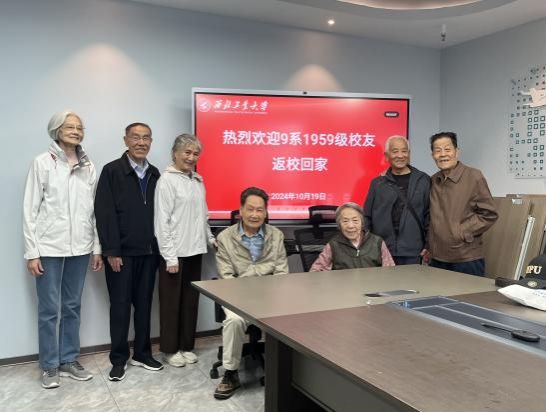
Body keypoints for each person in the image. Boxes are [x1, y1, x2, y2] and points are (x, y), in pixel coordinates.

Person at [23, 111, 103, 389]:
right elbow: (30, 210)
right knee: (49, 309)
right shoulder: (42, 162)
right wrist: (32, 252)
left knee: (72, 306)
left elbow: (94, 210)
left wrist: (96, 247)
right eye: (70, 127)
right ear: (56, 130)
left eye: (80, 127)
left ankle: (68, 359)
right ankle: (49, 365)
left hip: (80, 247)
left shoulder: (88, 166)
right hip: (49, 247)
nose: (76, 131)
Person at [94, 122, 163, 382]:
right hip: (120, 254)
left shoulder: (155, 174)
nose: (141, 142)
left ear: (151, 142)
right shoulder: (112, 170)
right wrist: (111, 251)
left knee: (144, 305)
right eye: (135, 137)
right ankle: (118, 359)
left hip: (149, 252)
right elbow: (104, 213)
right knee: (120, 307)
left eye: (146, 138)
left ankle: (142, 353)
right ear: (125, 140)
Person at [213, 187, 289, 400]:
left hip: (271, 295)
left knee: (293, 316)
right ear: (241, 211)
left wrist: (272, 294)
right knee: (234, 320)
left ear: (266, 212)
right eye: (250, 209)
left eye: (260, 210)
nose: (255, 214)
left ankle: (287, 372)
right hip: (238, 296)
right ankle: (230, 374)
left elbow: (282, 273)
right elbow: (226, 277)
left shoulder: (276, 235)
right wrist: (249, 291)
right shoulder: (225, 237)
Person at [154, 134, 216, 367]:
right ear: (175, 154)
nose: (191, 157)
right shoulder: (167, 180)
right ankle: (170, 350)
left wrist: (210, 239)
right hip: (174, 254)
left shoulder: (197, 180)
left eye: (195, 153)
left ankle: (186, 346)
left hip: (195, 250)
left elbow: (203, 216)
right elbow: (161, 222)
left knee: (190, 303)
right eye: (187, 152)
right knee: (171, 305)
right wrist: (170, 257)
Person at [428, 132, 498, 276]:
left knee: (469, 292)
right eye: (438, 150)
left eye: (447, 149)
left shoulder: (474, 176)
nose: (443, 154)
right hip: (437, 258)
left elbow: (489, 214)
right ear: (433, 155)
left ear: (457, 152)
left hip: (466, 258)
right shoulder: (433, 180)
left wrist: (461, 232)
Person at [364, 135, 430, 265]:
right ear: (386, 155)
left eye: (404, 151)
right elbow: (367, 216)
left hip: (413, 250)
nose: (400, 155)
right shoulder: (378, 183)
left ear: (409, 154)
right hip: (382, 250)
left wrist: (429, 244)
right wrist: (367, 245)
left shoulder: (423, 180)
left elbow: (429, 215)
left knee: (412, 279)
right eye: (395, 151)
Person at [310, 203, 395, 271]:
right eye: (345, 221)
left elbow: (390, 271)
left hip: (373, 286)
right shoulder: (333, 245)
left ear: (362, 223)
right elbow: (316, 272)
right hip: (344, 287)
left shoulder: (377, 242)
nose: (350, 226)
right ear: (339, 225)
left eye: (355, 220)